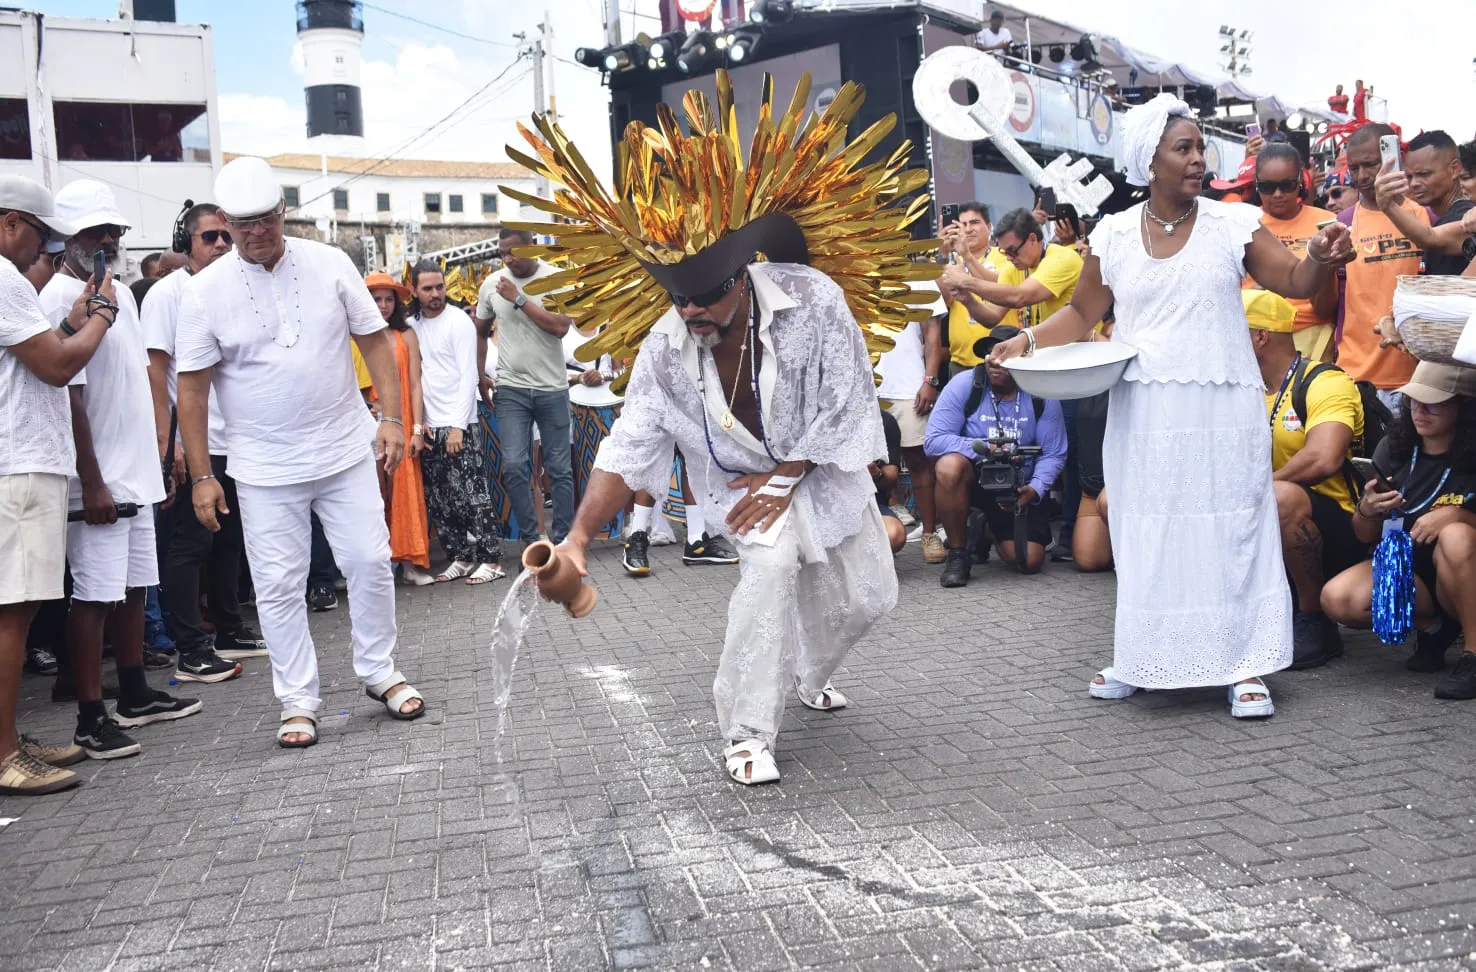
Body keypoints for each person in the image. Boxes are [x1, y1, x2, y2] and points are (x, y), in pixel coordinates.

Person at [520, 73, 922, 785]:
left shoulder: (813, 299)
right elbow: (630, 444)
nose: (693, 311)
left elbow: (851, 397)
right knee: (767, 576)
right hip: (741, 488)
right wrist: (579, 539)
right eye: (679, 297)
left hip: (821, 470)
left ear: (742, 274)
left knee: (870, 598)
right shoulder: (663, 350)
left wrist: (789, 473)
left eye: (706, 293)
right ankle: (746, 734)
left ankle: (807, 670)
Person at [989, 93, 1355, 719]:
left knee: (1230, 526)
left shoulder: (1231, 223)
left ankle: (1245, 666)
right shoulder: (1111, 234)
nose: (1197, 159)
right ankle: (1144, 656)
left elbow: (1294, 282)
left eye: (1198, 148)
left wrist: (1320, 258)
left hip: (1221, 406)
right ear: (1149, 160)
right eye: (1182, 148)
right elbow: (1082, 313)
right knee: (1149, 528)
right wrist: (1022, 340)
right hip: (1145, 410)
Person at [174, 156, 425, 749]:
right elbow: (191, 388)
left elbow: (376, 342)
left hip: (343, 449)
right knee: (278, 585)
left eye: (267, 219)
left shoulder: (329, 262)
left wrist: (390, 418)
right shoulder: (204, 292)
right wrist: (203, 476)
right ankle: (298, 700)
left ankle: (379, 671)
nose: (257, 232)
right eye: (242, 223)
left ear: (284, 213)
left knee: (368, 560)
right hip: (262, 467)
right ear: (225, 224)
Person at [39, 180, 197, 759]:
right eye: (94, 232)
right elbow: (69, 396)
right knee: (94, 597)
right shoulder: (57, 297)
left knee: (133, 587)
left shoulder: (123, 297)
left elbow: (137, 382)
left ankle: (134, 693)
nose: (107, 240)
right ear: (67, 238)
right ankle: (89, 717)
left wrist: (163, 454)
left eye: (114, 231)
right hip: (98, 474)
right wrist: (94, 478)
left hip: (136, 469)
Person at [0, 174, 116, 794]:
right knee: (12, 615)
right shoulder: (3, 278)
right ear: (12, 222)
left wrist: (71, 326)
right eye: (42, 239)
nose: (43, 253)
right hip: (18, 465)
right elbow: (56, 367)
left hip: (19, 462)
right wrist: (100, 319)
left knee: (17, 610)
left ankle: (10, 740)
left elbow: (41, 354)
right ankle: (4, 756)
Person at [144, 202, 267, 684]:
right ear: (185, 243)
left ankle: (230, 629)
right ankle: (191, 649)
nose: (220, 245)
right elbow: (156, 371)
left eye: (224, 237)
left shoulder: (232, 288)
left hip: (234, 438)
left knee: (228, 543)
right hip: (192, 443)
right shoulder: (166, 294)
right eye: (208, 237)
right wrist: (167, 442)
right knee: (188, 545)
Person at [1321, 362, 1475, 694]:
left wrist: (1459, 515)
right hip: (1409, 564)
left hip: (1462, 566)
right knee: (1338, 599)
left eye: (1433, 402)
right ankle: (1434, 628)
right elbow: (1364, 534)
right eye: (1414, 401)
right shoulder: (1396, 447)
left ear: (1462, 405)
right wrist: (1367, 510)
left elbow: (1459, 526)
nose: (1420, 410)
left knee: (1456, 535)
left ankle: (1473, 654)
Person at [1245, 289, 1367, 670]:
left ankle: (1314, 620)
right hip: (1258, 521)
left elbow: (1323, 457)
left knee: (1281, 496)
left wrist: (1255, 492)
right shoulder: (1237, 388)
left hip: (1337, 529)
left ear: (1260, 336)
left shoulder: (1324, 381)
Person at [925, 326, 1067, 586]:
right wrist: (982, 447)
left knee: (1029, 561)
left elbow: (1054, 453)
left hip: (1019, 484)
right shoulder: (965, 384)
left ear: (1026, 359)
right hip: (975, 481)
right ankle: (958, 554)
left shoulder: (1041, 393)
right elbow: (934, 441)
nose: (994, 360)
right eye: (990, 353)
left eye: (1005, 352)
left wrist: (1034, 489)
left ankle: (986, 530)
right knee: (948, 466)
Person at [475, 229, 576, 544]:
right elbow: (480, 331)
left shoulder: (555, 278)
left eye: (512, 252)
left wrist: (518, 299)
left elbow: (560, 327)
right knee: (515, 467)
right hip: (511, 389)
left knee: (559, 469)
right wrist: (480, 374)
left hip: (553, 388)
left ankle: (563, 542)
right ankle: (533, 543)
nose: (506, 259)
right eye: (501, 253)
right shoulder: (492, 284)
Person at [407, 260, 503, 584]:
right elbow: (416, 379)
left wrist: (459, 426)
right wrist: (421, 426)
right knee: (440, 498)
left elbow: (468, 376)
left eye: (439, 287)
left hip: (460, 422)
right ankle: (460, 556)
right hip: (430, 425)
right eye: (428, 289)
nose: (435, 294)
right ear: (414, 290)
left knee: (474, 494)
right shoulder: (412, 325)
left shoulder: (459, 322)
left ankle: (490, 560)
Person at [1340, 125, 1429, 408]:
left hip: (1416, 376)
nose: (1362, 176)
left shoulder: (1425, 216)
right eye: (1354, 167)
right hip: (1356, 375)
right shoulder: (1342, 221)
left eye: (1371, 164)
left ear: (1392, 159)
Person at [365, 272, 432, 586]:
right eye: (376, 299)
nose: (382, 305)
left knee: (405, 490)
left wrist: (418, 429)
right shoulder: (355, 335)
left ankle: (408, 562)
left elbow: (417, 385)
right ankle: (379, 566)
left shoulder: (406, 335)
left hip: (402, 424)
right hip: (363, 425)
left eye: (388, 299)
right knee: (373, 493)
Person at [874, 281, 947, 563]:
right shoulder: (856, 262)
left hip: (908, 385)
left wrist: (929, 380)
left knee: (919, 462)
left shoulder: (921, 277)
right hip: (866, 386)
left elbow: (932, 334)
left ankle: (929, 533)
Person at [1247, 144, 1340, 362]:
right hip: (1258, 338)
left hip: (1314, 336)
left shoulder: (1325, 222)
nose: (1278, 194)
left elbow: (1328, 306)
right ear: (1256, 185)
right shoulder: (1243, 222)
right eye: (1268, 187)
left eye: (1287, 185)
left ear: (1301, 182)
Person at [943, 208, 1085, 332]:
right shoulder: (1015, 267)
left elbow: (1020, 296)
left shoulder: (1062, 258)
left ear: (1033, 238)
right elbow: (992, 316)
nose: (1009, 258)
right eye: (1004, 252)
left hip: (1081, 354)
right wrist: (967, 299)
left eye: (1012, 251)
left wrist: (966, 282)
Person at [1374, 131, 1476, 279]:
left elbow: (1429, 238)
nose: (1414, 183)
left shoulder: (1468, 217)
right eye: (1409, 176)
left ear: (1454, 169)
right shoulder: (1445, 218)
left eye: (1424, 174)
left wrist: (1387, 205)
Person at [936, 202, 1010, 377]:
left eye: (974, 222)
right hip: (960, 362)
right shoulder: (950, 261)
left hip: (1002, 357)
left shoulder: (1006, 256)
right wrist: (943, 255)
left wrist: (966, 262)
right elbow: (942, 300)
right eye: (962, 225)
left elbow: (1004, 291)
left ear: (989, 227)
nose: (968, 229)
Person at [873, 408, 907, 554]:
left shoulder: (883, 420)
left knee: (894, 535)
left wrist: (876, 473)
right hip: (822, 501)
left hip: (870, 502)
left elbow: (890, 477)